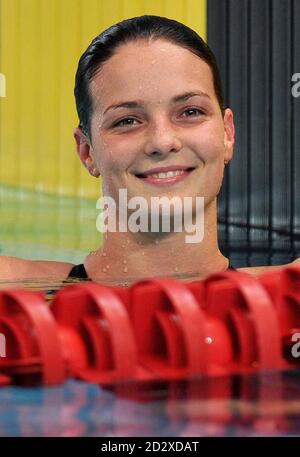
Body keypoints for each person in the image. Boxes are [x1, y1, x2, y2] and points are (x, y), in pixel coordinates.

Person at [0, 15, 299, 285]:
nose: (161, 141)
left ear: (227, 133)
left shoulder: (287, 301)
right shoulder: (16, 297)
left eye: (190, 111)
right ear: (87, 151)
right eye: (127, 120)